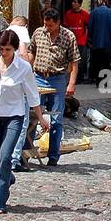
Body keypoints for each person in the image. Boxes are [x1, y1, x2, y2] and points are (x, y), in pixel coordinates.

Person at [0, 30, 47, 214]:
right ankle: (7, 178)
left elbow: (32, 95)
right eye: (1, 48)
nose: (4, 52)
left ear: (14, 48)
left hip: (14, 115)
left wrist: (41, 117)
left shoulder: (23, 67)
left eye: (7, 49)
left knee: (6, 156)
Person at [29, 11, 79, 166]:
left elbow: (75, 61)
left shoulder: (68, 36)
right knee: (32, 116)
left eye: (50, 25)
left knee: (56, 118)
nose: (47, 27)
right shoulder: (38, 32)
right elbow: (31, 51)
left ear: (58, 23)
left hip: (57, 79)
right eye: (45, 24)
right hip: (38, 77)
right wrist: (27, 72)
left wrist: (71, 83)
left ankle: (53, 156)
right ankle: (26, 151)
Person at [87, 0, 111, 83]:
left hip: (96, 41)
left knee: (97, 62)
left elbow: (90, 27)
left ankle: (98, 80)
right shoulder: (110, 12)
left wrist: (90, 39)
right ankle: (105, 82)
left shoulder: (93, 12)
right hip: (107, 42)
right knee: (106, 62)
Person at [62, 0, 90, 84]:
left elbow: (88, 26)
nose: (73, 4)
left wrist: (87, 39)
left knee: (82, 60)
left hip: (81, 41)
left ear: (80, 4)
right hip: (70, 41)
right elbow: (65, 26)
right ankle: (70, 78)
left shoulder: (85, 14)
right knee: (70, 60)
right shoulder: (68, 13)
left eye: (75, 2)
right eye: (72, 2)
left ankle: (81, 77)